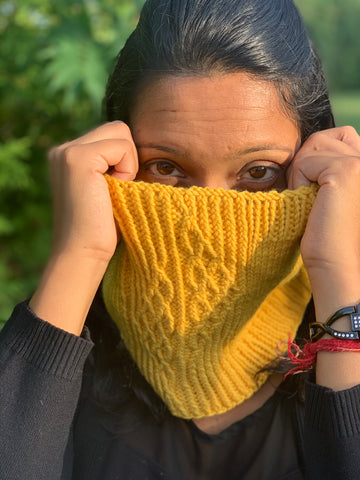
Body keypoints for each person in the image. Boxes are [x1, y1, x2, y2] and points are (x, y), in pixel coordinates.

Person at [1, 0, 360, 478]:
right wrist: (78, 255)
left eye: (258, 172)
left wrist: (338, 272)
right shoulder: (67, 355)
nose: (210, 218)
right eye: (166, 167)